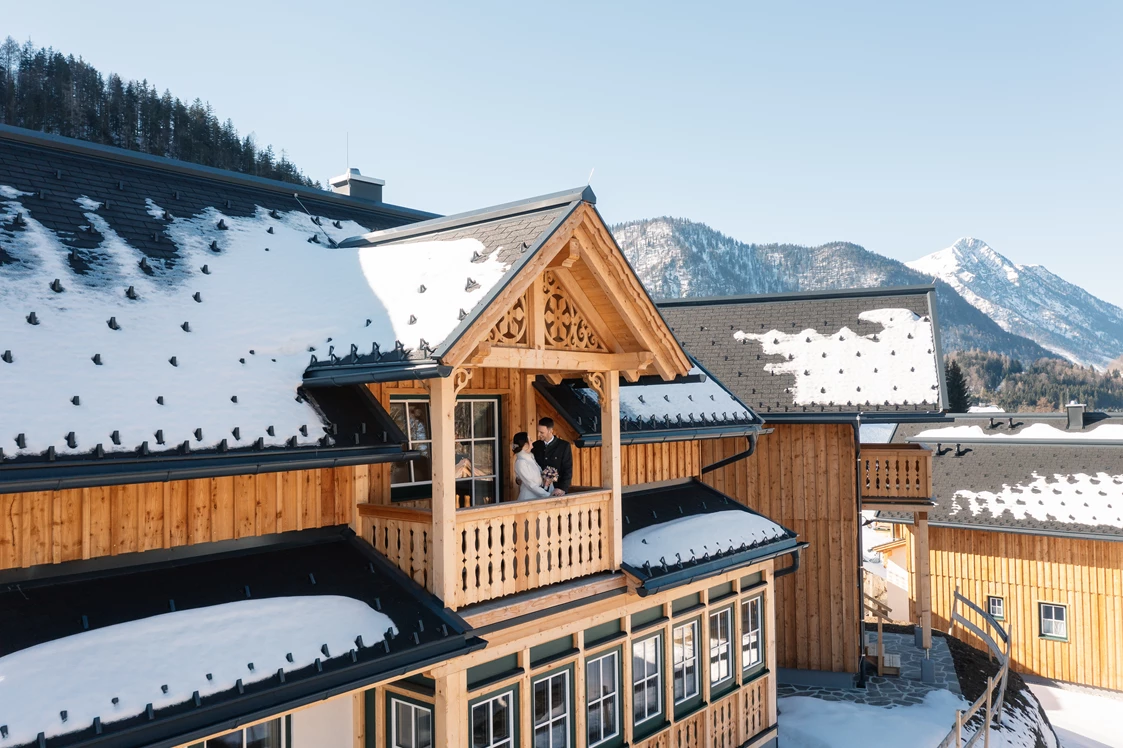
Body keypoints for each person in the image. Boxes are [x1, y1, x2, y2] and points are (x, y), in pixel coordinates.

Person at [532, 417, 573, 496]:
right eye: (538, 432)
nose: (538, 435)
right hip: (538, 491)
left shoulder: (564, 446)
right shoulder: (535, 446)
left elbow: (567, 469)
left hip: (557, 492)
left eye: (541, 432)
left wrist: (562, 488)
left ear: (550, 431)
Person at [512, 432, 551, 501]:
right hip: (528, 499)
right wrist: (548, 495)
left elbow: (537, 481)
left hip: (538, 498)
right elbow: (531, 485)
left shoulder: (531, 458)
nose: (532, 441)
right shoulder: (520, 462)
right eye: (530, 439)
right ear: (525, 444)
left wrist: (546, 484)